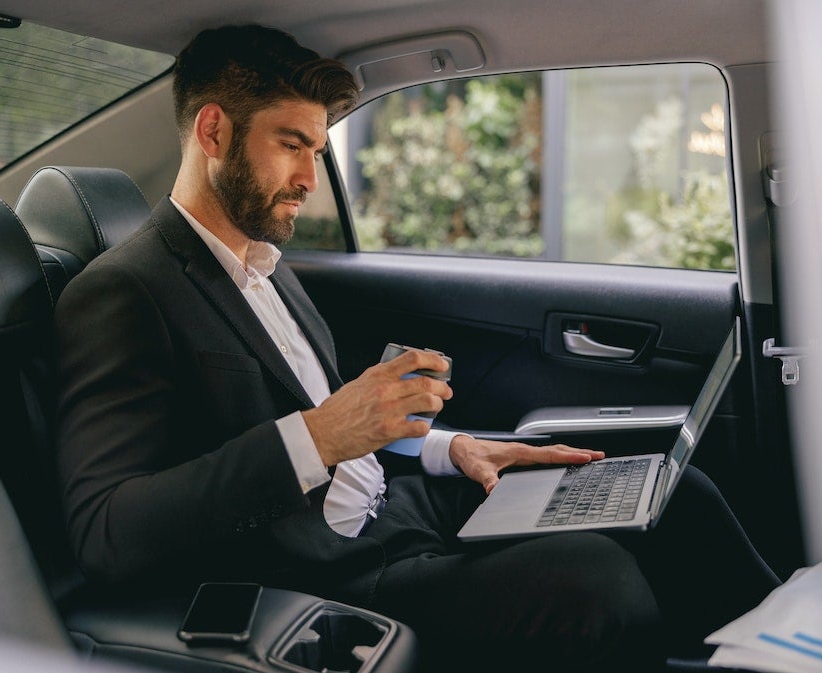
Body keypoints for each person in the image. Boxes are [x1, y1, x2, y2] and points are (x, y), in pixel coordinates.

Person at [53, 24, 779, 672]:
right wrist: (320, 434)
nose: (309, 178)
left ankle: (797, 647)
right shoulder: (123, 292)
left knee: (670, 491)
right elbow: (106, 530)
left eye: (318, 148)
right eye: (291, 144)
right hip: (327, 571)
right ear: (213, 132)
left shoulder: (268, 266)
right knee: (596, 583)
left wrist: (452, 448)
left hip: (407, 504)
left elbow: (348, 432)